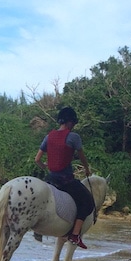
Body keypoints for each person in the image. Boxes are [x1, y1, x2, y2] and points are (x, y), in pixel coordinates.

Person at [34, 105, 94, 249]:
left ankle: (37, 230)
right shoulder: (73, 137)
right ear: (69, 122)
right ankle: (74, 235)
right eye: (73, 123)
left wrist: (45, 166)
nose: (73, 126)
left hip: (50, 178)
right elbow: (82, 157)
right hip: (65, 180)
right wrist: (86, 169)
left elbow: (37, 159)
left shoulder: (49, 136)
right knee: (88, 202)